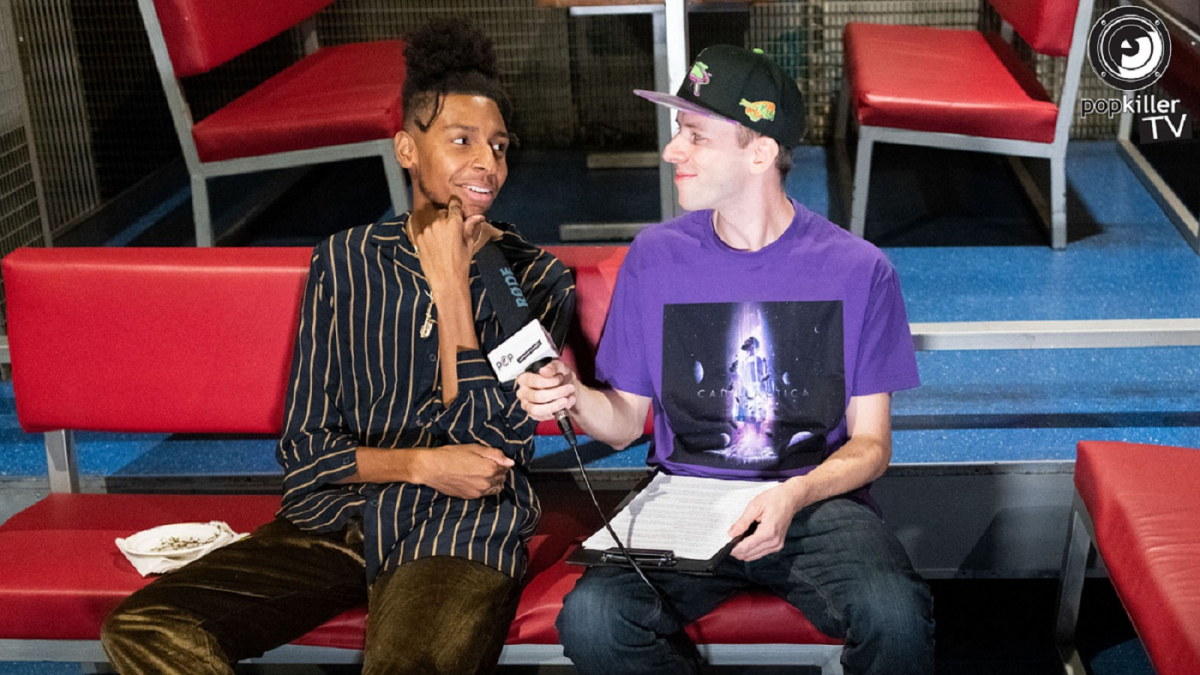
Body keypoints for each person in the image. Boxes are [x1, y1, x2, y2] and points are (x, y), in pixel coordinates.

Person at [101, 20, 574, 675]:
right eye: (462, 140)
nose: (487, 164)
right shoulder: (345, 262)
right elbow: (306, 451)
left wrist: (452, 292)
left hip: (459, 532)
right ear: (407, 148)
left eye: (498, 146)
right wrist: (418, 464)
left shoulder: (535, 277)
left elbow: (488, 453)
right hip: (335, 520)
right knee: (148, 626)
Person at [516, 44, 933, 674]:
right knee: (595, 619)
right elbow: (625, 422)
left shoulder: (859, 269)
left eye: (695, 136)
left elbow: (871, 445)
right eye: (678, 132)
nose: (671, 151)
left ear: (759, 152)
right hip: (684, 497)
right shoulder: (655, 256)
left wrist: (795, 494)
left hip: (813, 503)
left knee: (897, 616)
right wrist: (572, 395)